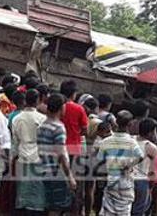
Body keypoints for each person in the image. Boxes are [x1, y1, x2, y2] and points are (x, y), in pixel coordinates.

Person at [97, 110, 143, 216]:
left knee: (108, 211)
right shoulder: (132, 142)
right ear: (130, 124)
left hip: (111, 181)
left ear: (116, 122)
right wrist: (129, 165)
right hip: (126, 182)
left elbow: (100, 162)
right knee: (124, 211)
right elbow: (140, 156)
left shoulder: (105, 141)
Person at [38, 93, 76, 215]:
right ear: (61, 108)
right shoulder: (58, 128)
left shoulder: (42, 125)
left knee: (48, 206)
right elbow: (61, 154)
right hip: (56, 172)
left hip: (43, 170)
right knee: (56, 208)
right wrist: (69, 176)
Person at [12, 88, 47, 214]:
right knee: (37, 195)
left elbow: (15, 142)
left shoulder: (17, 119)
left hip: (22, 157)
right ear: (38, 101)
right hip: (38, 159)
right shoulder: (43, 119)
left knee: (23, 193)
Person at [59, 80, 88, 215]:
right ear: (74, 94)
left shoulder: (57, 106)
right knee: (75, 185)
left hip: (58, 149)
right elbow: (84, 130)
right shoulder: (79, 109)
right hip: (74, 150)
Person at [132, 118, 157, 216]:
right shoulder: (151, 147)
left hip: (126, 178)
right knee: (139, 210)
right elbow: (153, 171)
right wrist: (151, 186)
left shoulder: (130, 139)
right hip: (141, 180)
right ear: (151, 132)